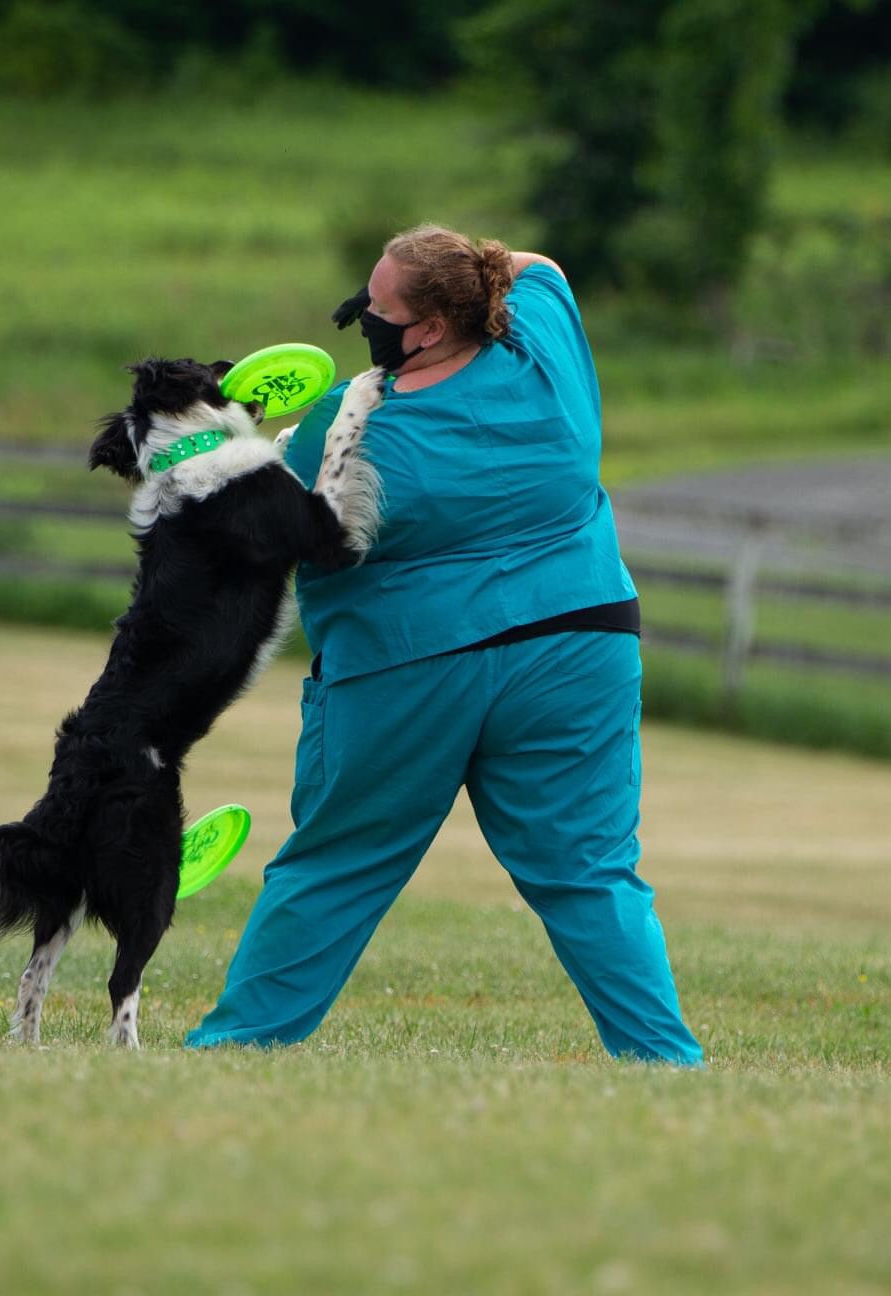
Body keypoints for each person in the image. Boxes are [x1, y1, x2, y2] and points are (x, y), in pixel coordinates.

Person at [185, 224, 703, 1066]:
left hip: (409, 668)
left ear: (427, 330)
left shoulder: (344, 428)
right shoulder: (542, 347)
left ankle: (237, 1045)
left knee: (338, 866)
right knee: (590, 873)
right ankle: (666, 1061)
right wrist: (470, 268)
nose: (364, 319)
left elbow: (252, 534)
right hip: (578, 646)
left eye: (378, 309)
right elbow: (537, 265)